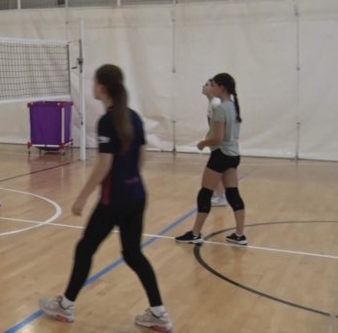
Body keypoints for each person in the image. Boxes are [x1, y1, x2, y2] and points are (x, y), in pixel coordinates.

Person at [39, 64, 173, 332]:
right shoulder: (133, 117)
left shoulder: (107, 121)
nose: (92, 87)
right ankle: (159, 313)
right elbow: (142, 156)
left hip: (115, 200)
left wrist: (81, 197)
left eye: (94, 82)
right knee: (133, 254)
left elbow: (104, 165)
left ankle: (65, 306)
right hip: (137, 194)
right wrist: (130, 179)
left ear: (102, 87)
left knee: (85, 249)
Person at [176, 73, 246, 245]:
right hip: (234, 155)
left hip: (221, 155)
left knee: (205, 193)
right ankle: (239, 234)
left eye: (213, 84)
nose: (211, 87)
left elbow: (218, 138)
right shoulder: (232, 106)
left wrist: (203, 143)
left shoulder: (221, 109)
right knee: (233, 193)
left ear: (221, 87)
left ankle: (195, 233)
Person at [202, 79, 227, 207]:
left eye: (206, 85)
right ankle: (218, 193)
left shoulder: (216, 103)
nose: (203, 86)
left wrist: (215, 138)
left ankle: (220, 196)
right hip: (215, 140)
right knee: (216, 168)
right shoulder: (211, 102)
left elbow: (221, 122)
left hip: (218, 141)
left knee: (215, 168)